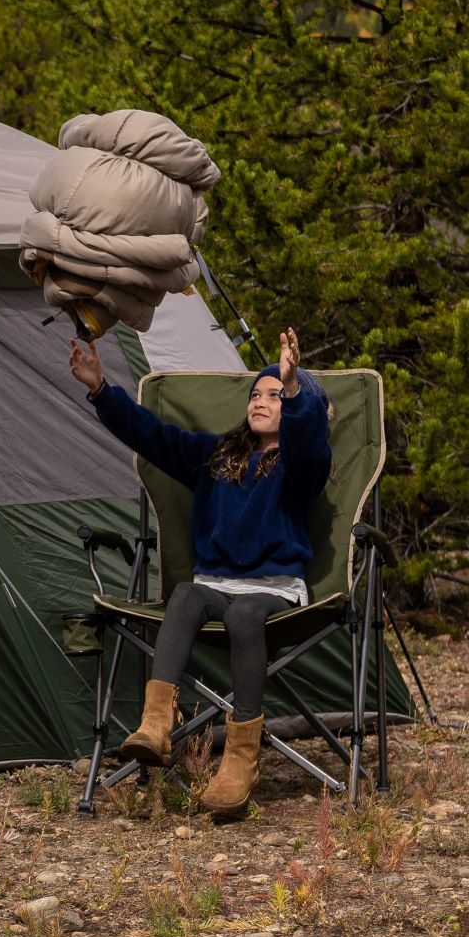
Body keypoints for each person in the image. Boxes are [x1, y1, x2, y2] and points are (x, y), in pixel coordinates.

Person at [70, 327, 330, 820]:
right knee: (187, 594)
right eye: (256, 394)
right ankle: (156, 723)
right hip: (216, 587)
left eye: (274, 396)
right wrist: (100, 389)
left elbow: (314, 441)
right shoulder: (217, 456)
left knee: (246, 614)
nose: (261, 401)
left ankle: (241, 757)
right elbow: (153, 435)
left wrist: (294, 386)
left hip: (273, 592)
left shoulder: (300, 467)